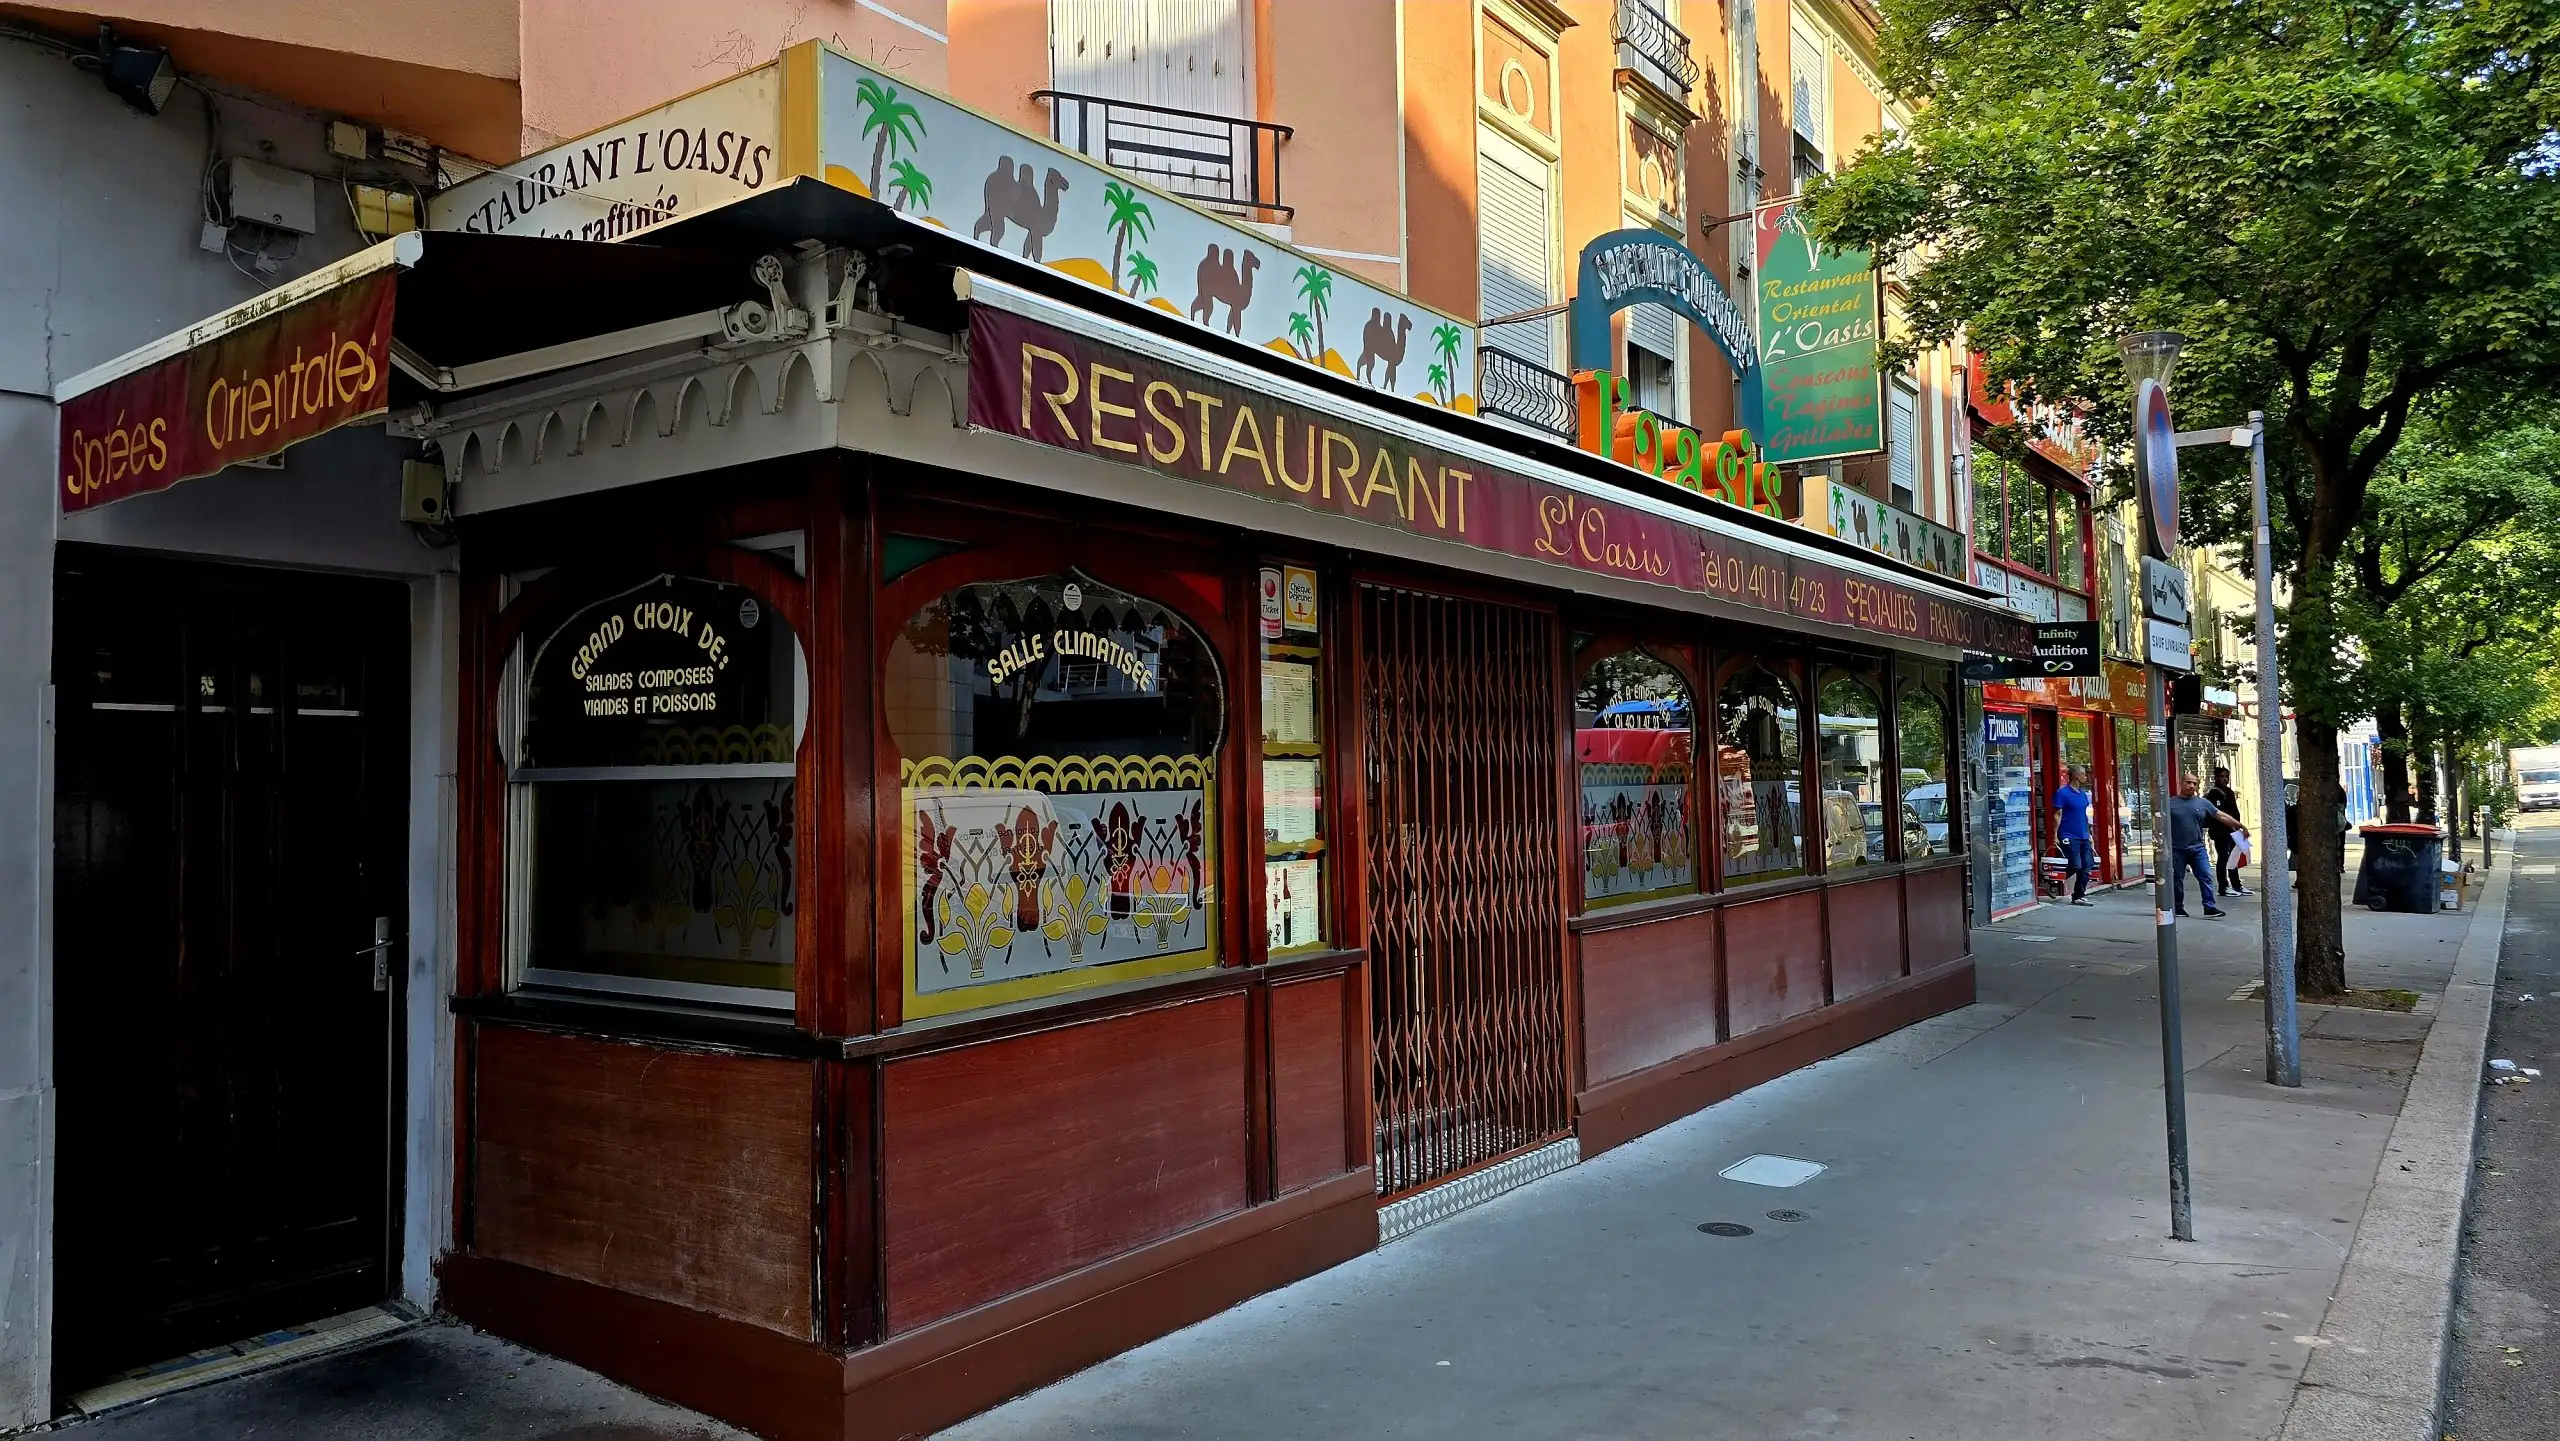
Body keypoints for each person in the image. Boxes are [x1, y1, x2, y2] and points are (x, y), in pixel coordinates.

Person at [2168, 775, 2246, 917]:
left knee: (2206, 875)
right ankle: (2178, 907)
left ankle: (2209, 907)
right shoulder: (2170, 803)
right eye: (2188, 782)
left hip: (2197, 848)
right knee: (2176, 879)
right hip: (2177, 849)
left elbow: (2221, 816)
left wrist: (2240, 826)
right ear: (2181, 783)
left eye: (2194, 783)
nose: (2191, 786)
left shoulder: (2202, 803)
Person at [2052, 764, 2098, 905]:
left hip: (2083, 835)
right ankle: (2053, 882)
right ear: (2077, 776)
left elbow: (2083, 815)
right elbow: (2057, 815)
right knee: (2075, 864)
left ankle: (2078, 896)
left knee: (2087, 865)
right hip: (2068, 835)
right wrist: (2055, 835)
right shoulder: (2063, 793)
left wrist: (2089, 834)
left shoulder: (2083, 794)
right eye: (2084, 774)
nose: (2086, 776)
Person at [2206, 766, 2249, 895]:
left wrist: (2237, 827)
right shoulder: (2214, 793)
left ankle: (2236, 885)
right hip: (2221, 832)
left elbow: (2234, 812)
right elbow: (2218, 814)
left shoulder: (2229, 792)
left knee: (2233, 858)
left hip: (2233, 831)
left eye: (2226, 776)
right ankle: (2223, 887)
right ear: (2216, 778)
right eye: (2222, 776)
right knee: (2223, 857)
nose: (2225, 779)